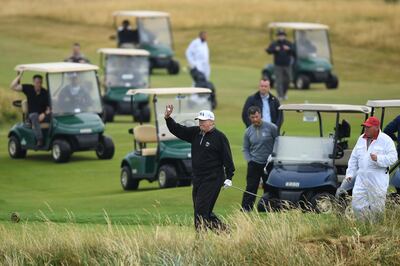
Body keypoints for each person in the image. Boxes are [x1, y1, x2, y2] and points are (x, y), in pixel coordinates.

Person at [164, 106, 235, 232]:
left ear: (212, 122)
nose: (200, 123)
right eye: (199, 120)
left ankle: (200, 242)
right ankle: (226, 232)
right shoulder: (195, 133)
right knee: (202, 211)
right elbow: (179, 130)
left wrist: (229, 177)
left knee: (201, 211)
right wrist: (168, 118)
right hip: (197, 178)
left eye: (203, 121)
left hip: (213, 179)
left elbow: (228, 159)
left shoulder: (220, 137)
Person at [345, 116, 397, 221]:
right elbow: (354, 158)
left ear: (376, 128)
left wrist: (378, 158)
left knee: (377, 207)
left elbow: (393, 158)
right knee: (357, 204)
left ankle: (376, 229)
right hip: (361, 177)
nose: (366, 129)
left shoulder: (386, 140)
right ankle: (364, 226)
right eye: (365, 127)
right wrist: (350, 173)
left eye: (368, 127)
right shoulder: (361, 139)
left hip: (378, 178)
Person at [241, 106, 278, 212]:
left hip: (269, 163)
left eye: (257, 117)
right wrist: (249, 160)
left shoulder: (272, 128)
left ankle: (269, 207)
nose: (255, 119)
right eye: (252, 118)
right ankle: (246, 209)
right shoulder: (248, 132)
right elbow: (245, 148)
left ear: (260, 115)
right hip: (254, 163)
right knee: (251, 187)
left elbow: (278, 143)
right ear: (249, 118)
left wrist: (274, 157)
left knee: (269, 187)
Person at [10, 72, 50, 147]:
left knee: (54, 116)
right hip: (32, 115)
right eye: (37, 82)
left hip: (43, 115)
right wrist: (20, 75)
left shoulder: (45, 92)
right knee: (34, 116)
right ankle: (39, 139)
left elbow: (48, 108)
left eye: (40, 82)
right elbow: (13, 86)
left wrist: (44, 114)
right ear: (33, 82)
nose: (39, 84)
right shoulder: (28, 88)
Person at [266, 29, 293, 100]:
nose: (281, 37)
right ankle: (280, 95)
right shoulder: (275, 43)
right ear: (277, 36)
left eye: (282, 35)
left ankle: (284, 94)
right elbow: (268, 50)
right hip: (278, 65)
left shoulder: (288, 43)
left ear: (285, 36)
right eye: (280, 35)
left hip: (287, 65)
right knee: (279, 80)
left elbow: (294, 51)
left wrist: (289, 49)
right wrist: (275, 49)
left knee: (288, 80)